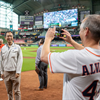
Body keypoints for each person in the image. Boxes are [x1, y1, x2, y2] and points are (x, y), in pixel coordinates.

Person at [41, 15, 100, 100]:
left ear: (86, 31)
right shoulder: (92, 55)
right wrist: (71, 41)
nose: (79, 32)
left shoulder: (75, 57)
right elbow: (88, 53)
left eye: (80, 30)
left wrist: (47, 38)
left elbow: (44, 57)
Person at [0, 31, 23, 100]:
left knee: (17, 91)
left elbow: (20, 60)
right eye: (8, 36)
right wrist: (1, 72)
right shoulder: (3, 48)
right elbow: (0, 61)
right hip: (6, 73)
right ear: (5, 37)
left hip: (15, 73)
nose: (9, 37)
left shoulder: (17, 47)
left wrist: (18, 71)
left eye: (10, 36)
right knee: (9, 91)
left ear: (13, 37)